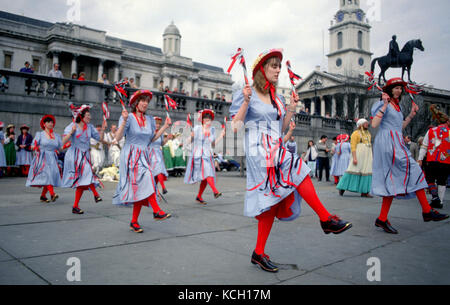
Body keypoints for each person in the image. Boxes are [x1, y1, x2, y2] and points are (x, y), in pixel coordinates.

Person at [230, 49, 351, 273]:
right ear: (261, 70)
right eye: (273, 66)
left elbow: (281, 129)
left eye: (279, 66)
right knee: (298, 167)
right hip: (259, 150)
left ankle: (258, 253)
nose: (278, 70)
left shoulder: (276, 97)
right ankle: (325, 219)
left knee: (271, 200)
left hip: (275, 145)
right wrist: (245, 102)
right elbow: (235, 128)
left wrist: (291, 110)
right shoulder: (248, 93)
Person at [370, 78, 448, 234]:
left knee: (393, 180)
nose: (399, 90)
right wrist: (384, 105)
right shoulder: (383, 104)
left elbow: (399, 127)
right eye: (396, 88)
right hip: (388, 144)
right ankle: (426, 211)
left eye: (400, 88)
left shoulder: (397, 107)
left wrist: (411, 115)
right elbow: (374, 124)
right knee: (414, 171)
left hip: (397, 141)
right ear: (390, 90)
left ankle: (382, 218)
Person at [112, 90, 172, 233]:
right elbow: (119, 137)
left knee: (140, 188)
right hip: (131, 154)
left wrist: (164, 126)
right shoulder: (129, 117)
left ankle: (134, 222)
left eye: (147, 101)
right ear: (136, 103)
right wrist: (124, 120)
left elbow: (151, 139)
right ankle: (156, 210)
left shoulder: (150, 120)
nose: (145, 103)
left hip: (144, 154)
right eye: (142, 100)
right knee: (148, 178)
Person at [62, 105, 106, 215]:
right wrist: (71, 133)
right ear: (81, 116)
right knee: (87, 172)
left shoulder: (90, 127)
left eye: (89, 115)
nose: (90, 117)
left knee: (82, 182)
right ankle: (96, 194)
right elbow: (63, 141)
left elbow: (99, 139)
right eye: (87, 115)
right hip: (74, 155)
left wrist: (103, 130)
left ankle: (75, 206)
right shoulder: (72, 126)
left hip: (85, 155)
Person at [184, 109, 225, 204]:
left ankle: (199, 196)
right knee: (207, 173)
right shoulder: (197, 129)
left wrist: (221, 136)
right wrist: (190, 144)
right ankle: (215, 191)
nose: (208, 121)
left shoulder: (212, 130)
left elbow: (213, 144)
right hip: (199, 155)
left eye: (209, 120)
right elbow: (188, 141)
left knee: (206, 177)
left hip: (207, 155)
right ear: (202, 120)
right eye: (206, 119)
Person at [417, 105, 450, 209]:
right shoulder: (449, 132)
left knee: (430, 180)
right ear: (446, 122)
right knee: (442, 181)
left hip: (432, 160)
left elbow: (424, 146)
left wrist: (420, 159)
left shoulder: (431, 131)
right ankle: (440, 201)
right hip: (445, 161)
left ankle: (435, 197)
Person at [26, 115, 62, 203]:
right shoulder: (40, 134)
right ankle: (52, 194)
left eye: (52, 122)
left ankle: (43, 196)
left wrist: (67, 145)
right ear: (44, 124)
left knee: (50, 176)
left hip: (53, 157)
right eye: (49, 122)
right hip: (42, 157)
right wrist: (35, 147)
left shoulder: (56, 135)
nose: (51, 123)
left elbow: (60, 147)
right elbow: (33, 145)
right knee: (48, 174)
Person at [336, 119, 373, 197]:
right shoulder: (355, 134)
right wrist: (355, 158)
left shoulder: (368, 133)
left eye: (367, 123)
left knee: (366, 171)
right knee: (353, 170)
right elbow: (353, 146)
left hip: (367, 155)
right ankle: (342, 187)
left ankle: (365, 191)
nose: (367, 124)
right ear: (360, 124)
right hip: (358, 155)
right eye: (365, 123)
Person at [149, 117, 170, 195]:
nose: (157, 125)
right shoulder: (150, 132)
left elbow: (162, 143)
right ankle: (163, 187)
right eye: (156, 123)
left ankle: (155, 190)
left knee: (157, 172)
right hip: (151, 153)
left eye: (158, 124)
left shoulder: (160, 133)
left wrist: (167, 138)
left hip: (158, 153)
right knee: (158, 170)